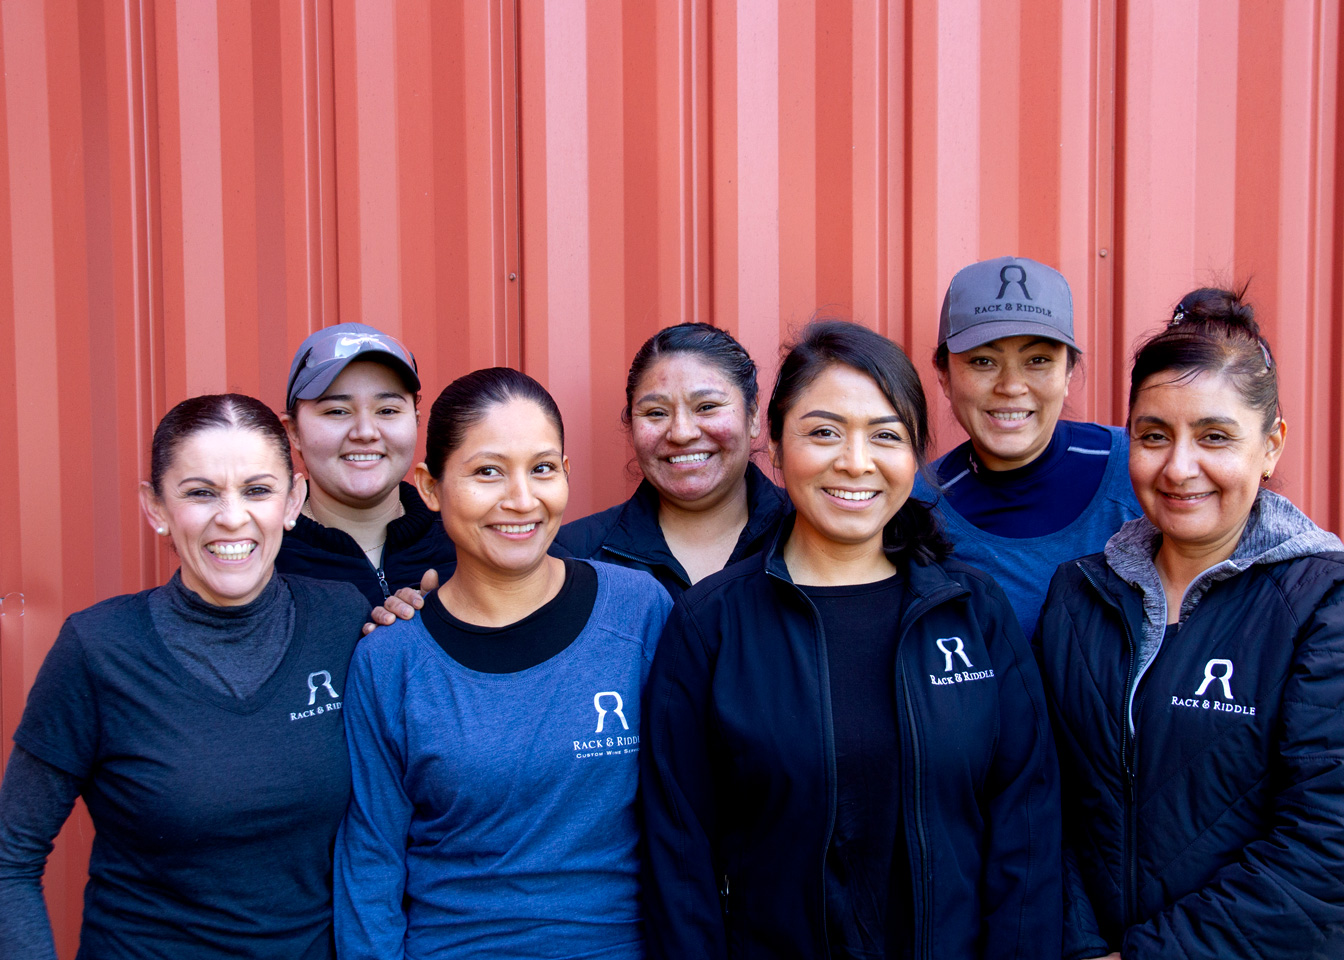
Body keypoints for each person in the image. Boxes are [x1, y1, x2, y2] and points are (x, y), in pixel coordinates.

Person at [641, 320, 1061, 959]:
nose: (856, 461)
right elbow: (679, 858)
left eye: (886, 435)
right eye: (824, 432)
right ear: (776, 448)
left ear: (915, 456)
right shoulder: (711, 626)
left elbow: (1025, 830)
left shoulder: (973, 613)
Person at [0, 395, 370, 959]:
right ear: (156, 508)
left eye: (257, 490)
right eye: (200, 492)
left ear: (293, 500)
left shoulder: (342, 620)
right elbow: (11, 856)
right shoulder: (98, 650)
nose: (231, 516)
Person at [1035, 288, 1344, 959]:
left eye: (1214, 436)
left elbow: (1327, 845)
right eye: (1153, 436)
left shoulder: (1325, 603)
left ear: (1271, 446)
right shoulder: (1080, 594)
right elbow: (1042, 797)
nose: (1179, 467)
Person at [334, 368, 673, 959]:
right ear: (431, 487)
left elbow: (691, 816)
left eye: (542, 468)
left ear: (566, 474)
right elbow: (371, 865)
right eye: (487, 471)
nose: (521, 499)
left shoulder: (638, 611)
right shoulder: (390, 659)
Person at [913, 256, 1141, 637]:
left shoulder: (1139, 469)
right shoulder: (918, 507)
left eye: (1037, 360)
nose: (1012, 386)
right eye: (984, 361)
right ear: (944, 376)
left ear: (1068, 373)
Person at [556, 322, 790, 598]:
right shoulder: (573, 558)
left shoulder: (807, 533)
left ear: (752, 415)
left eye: (707, 407)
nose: (681, 433)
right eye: (656, 413)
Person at [277, 322, 455, 607]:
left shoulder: (464, 539)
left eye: (387, 410)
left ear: (416, 423)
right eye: (337, 411)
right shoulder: (261, 558)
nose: (365, 431)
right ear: (294, 432)